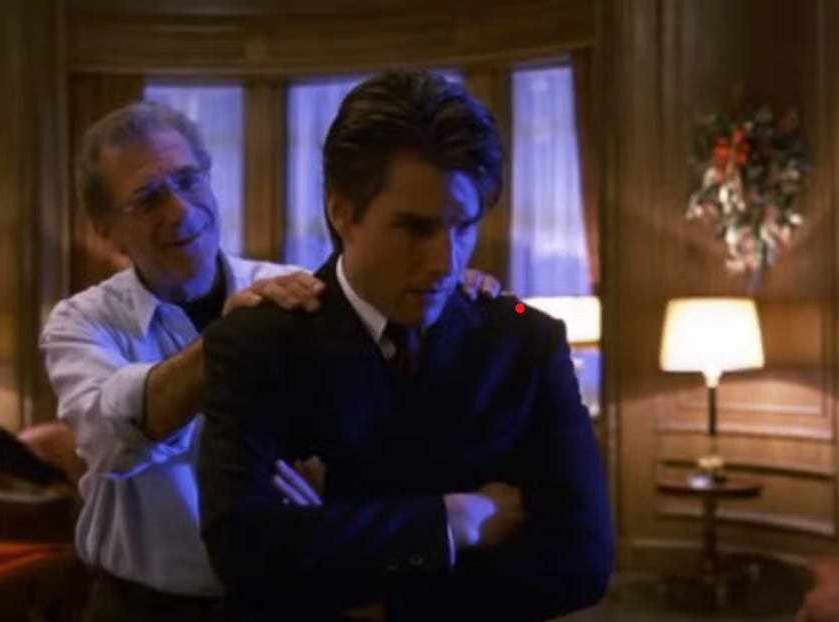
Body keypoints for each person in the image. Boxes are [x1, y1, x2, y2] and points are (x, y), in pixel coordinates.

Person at [40, 100, 501, 622]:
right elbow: (111, 440)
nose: (181, 211)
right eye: (148, 198)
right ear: (104, 227)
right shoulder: (80, 323)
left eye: (189, 181)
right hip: (140, 609)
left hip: (284, 602)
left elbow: (375, 416)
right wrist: (233, 340)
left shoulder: (294, 288)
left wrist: (451, 294)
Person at [198, 71, 615, 622]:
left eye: (463, 227)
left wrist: (379, 598)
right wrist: (453, 521)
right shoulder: (256, 342)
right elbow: (246, 555)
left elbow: (581, 561)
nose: (446, 262)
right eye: (416, 229)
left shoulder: (526, 340)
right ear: (342, 212)